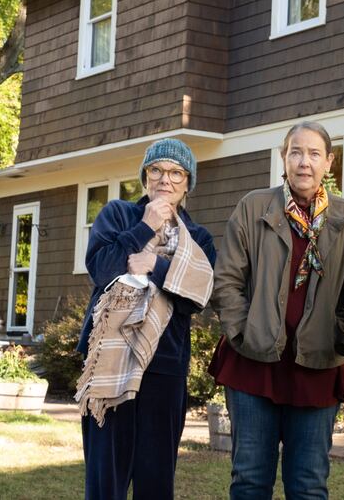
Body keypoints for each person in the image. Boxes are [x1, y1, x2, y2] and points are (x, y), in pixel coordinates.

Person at [209, 121, 344, 499]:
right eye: (296, 152)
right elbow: (226, 279)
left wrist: (341, 336)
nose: (304, 162)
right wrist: (243, 331)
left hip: (318, 368)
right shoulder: (254, 207)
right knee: (249, 481)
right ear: (283, 157)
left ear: (329, 162)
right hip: (253, 365)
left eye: (313, 154)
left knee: (309, 486)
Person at [76, 138, 216, 500]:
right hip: (110, 363)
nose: (164, 180)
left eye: (175, 172)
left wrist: (155, 265)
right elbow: (101, 269)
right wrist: (144, 227)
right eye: (156, 170)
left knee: (155, 483)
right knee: (106, 481)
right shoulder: (118, 214)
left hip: (164, 367)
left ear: (188, 183)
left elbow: (197, 296)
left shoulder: (198, 239)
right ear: (144, 177)